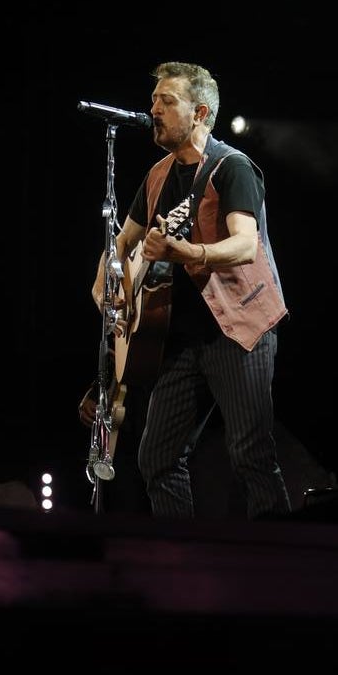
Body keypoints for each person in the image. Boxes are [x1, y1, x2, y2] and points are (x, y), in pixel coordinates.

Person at [90, 61, 292, 519]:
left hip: (238, 330)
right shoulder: (158, 176)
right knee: (156, 460)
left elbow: (245, 244)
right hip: (177, 341)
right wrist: (106, 281)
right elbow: (121, 242)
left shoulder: (232, 168)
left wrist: (188, 253)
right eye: (153, 100)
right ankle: (178, 558)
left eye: (167, 101)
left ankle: (281, 557)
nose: (154, 109)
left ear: (200, 112)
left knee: (251, 455)